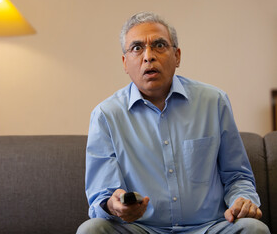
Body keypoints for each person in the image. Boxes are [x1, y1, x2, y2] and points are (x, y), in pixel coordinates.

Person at [77, 12, 270, 234]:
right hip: (142, 229)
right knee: (91, 230)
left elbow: (237, 175)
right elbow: (102, 196)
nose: (148, 56)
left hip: (209, 228)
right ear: (125, 62)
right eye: (137, 48)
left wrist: (242, 200)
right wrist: (115, 206)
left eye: (159, 45)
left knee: (254, 229)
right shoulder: (106, 115)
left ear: (177, 56)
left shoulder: (213, 102)